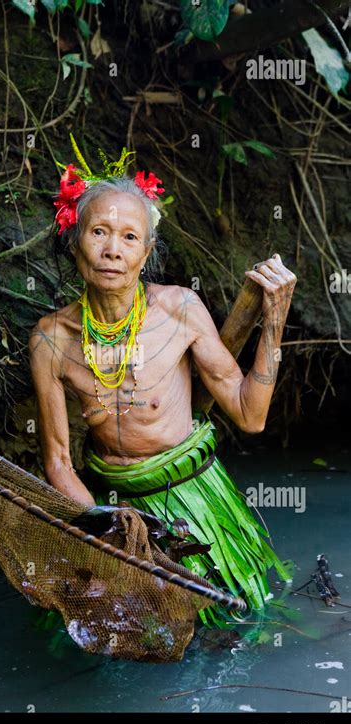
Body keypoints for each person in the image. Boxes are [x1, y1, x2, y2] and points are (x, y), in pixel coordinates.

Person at [29, 136, 297, 628]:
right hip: (111, 510)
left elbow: (250, 415)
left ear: (147, 251)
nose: (112, 250)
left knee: (228, 632)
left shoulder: (180, 309)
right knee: (121, 635)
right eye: (99, 233)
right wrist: (112, 537)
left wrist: (274, 320)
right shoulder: (50, 340)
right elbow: (59, 460)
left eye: (129, 237)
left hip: (192, 505)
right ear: (75, 241)